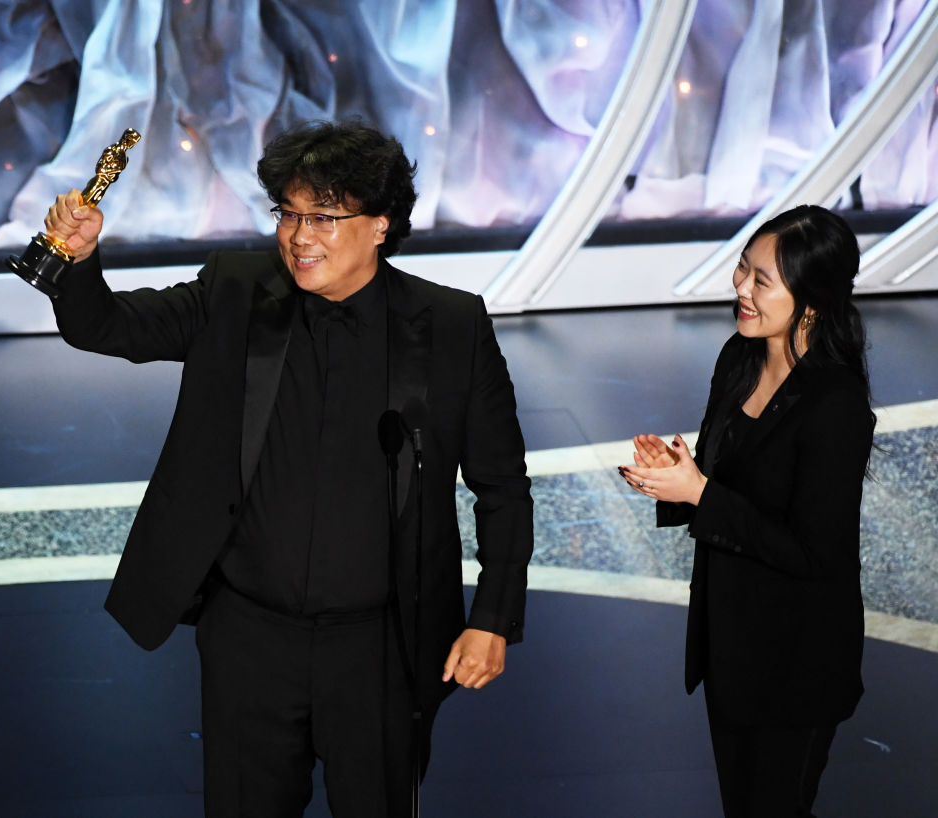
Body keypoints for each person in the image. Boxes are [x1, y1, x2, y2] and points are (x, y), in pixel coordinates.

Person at [42, 119, 533, 817]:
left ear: (382, 224)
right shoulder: (235, 290)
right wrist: (79, 260)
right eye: (289, 214)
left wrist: (492, 616)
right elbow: (107, 327)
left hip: (382, 646)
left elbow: (504, 487)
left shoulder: (451, 325)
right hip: (249, 638)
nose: (300, 238)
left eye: (324, 218)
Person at [619, 205, 875, 817]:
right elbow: (724, 483)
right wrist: (676, 477)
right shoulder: (738, 357)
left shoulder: (835, 405)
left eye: (761, 280)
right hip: (731, 651)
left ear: (810, 303)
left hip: (797, 665)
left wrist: (699, 493)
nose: (741, 287)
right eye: (743, 270)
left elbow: (814, 552)